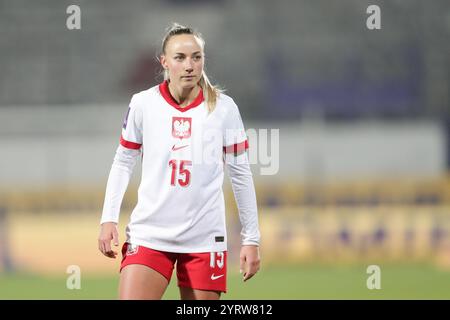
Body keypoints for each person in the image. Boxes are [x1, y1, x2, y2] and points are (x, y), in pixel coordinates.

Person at [98, 23, 260, 300]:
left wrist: (251, 238)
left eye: (196, 57)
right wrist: (108, 218)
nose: (189, 65)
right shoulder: (143, 104)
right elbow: (124, 160)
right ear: (164, 61)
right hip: (150, 234)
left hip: (205, 238)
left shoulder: (224, 109)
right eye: (180, 58)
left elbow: (241, 174)